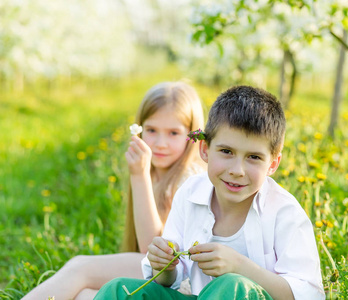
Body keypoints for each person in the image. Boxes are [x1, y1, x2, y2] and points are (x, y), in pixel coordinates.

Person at [94, 85, 325, 300]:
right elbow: (170, 281)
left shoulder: (284, 212)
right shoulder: (191, 194)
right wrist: (162, 265)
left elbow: (309, 294)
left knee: (232, 285)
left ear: (273, 164)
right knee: (118, 290)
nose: (237, 170)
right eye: (226, 151)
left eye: (254, 157)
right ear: (205, 149)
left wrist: (240, 266)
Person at [23, 81, 206, 300]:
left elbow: (155, 250)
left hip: (176, 280)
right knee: (85, 295)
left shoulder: (190, 177)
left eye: (173, 133)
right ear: (139, 129)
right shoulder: (156, 171)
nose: (160, 143)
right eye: (151, 130)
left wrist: (139, 176)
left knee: (81, 268)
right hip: (156, 273)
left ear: (192, 135)